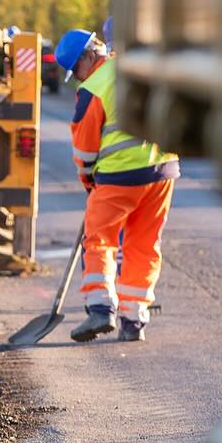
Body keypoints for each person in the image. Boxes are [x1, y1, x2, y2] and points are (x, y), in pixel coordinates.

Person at [54, 29, 179, 342]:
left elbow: (84, 150)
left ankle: (100, 309)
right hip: (162, 171)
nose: (78, 78)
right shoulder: (136, 67)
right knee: (144, 244)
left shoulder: (94, 87)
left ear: (88, 56)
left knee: (99, 240)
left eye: (76, 71)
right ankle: (133, 320)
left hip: (119, 177)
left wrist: (87, 180)